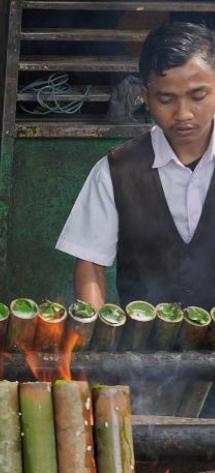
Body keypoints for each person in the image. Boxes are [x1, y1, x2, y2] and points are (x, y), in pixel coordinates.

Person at [57, 22, 215, 309]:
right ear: (145, 96)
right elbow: (90, 264)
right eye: (166, 99)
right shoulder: (116, 170)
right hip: (142, 347)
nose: (183, 114)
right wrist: (94, 329)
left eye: (198, 96)